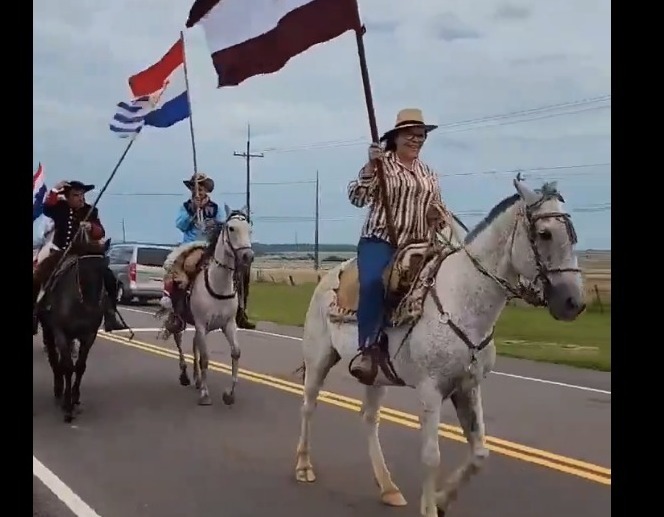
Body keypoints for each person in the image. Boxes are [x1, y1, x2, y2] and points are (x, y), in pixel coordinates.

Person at [347, 108, 451, 384]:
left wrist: (437, 216)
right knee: (372, 283)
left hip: (419, 243)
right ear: (396, 137)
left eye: (421, 135)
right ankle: (368, 348)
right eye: (410, 135)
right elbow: (357, 198)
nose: (416, 140)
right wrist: (370, 168)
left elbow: (436, 206)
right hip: (380, 241)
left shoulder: (429, 173)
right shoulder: (382, 165)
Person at [161, 173, 256, 329]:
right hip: (190, 245)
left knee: (240, 271)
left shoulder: (216, 208)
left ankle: (240, 311)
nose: (199, 192)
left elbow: (221, 227)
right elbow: (180, 225)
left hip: (210, 245)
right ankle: (177, 313)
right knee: (182, 268)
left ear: (206, 190)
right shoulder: (185, 207)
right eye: (196, 188)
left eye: (202, 188)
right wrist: (193, 213)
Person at [32, 180, 126, 334]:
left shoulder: (91, 211)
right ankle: (35, 314)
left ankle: (110, 314)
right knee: (37, 278)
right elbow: (47, 207)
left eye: (82, 195)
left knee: (110, 279)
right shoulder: (60, 208)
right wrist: (55, 189)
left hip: (85, 253)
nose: (80, 198)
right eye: (76, 195)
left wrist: (91, 227)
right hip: (61, 252)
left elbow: (100, 231)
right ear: (67, 197)